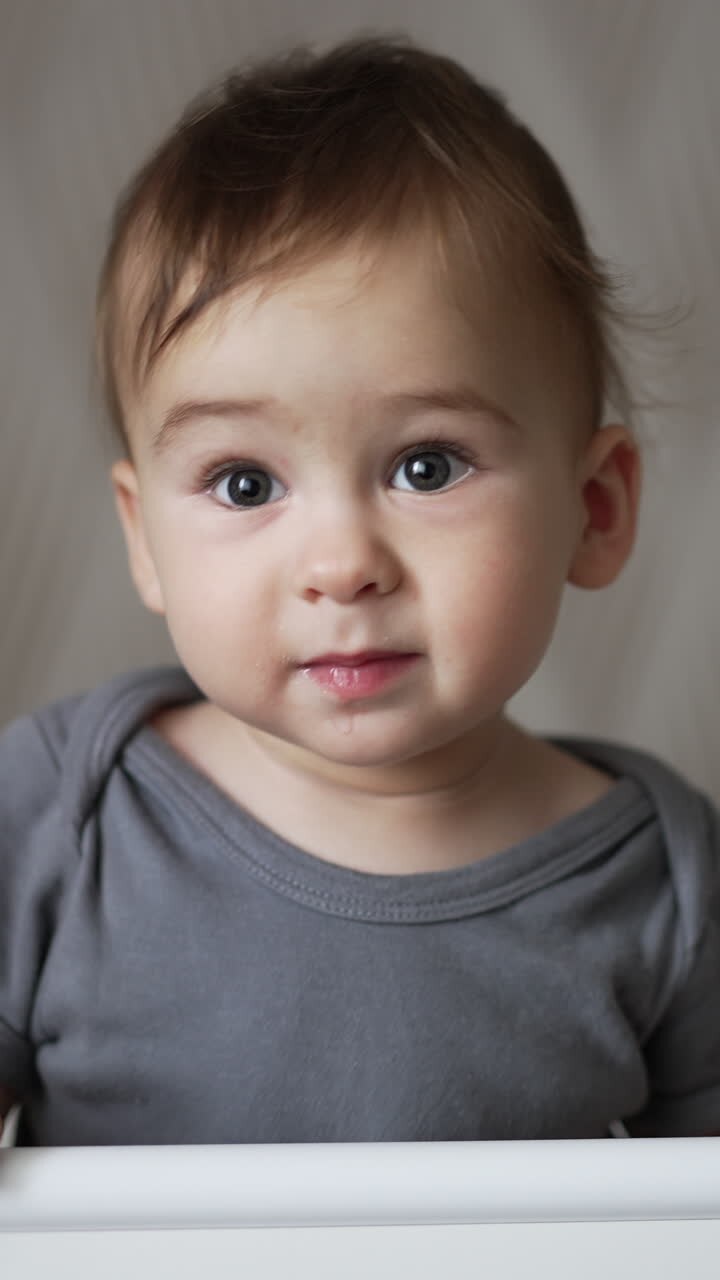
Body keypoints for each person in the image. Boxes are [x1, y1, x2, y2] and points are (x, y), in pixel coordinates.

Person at [1, 35, 719, 1148]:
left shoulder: (663, 881)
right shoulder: (61, 814)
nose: (343, 563)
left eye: (426, 465)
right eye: (245, 482)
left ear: (598, 506)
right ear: (145, 537)